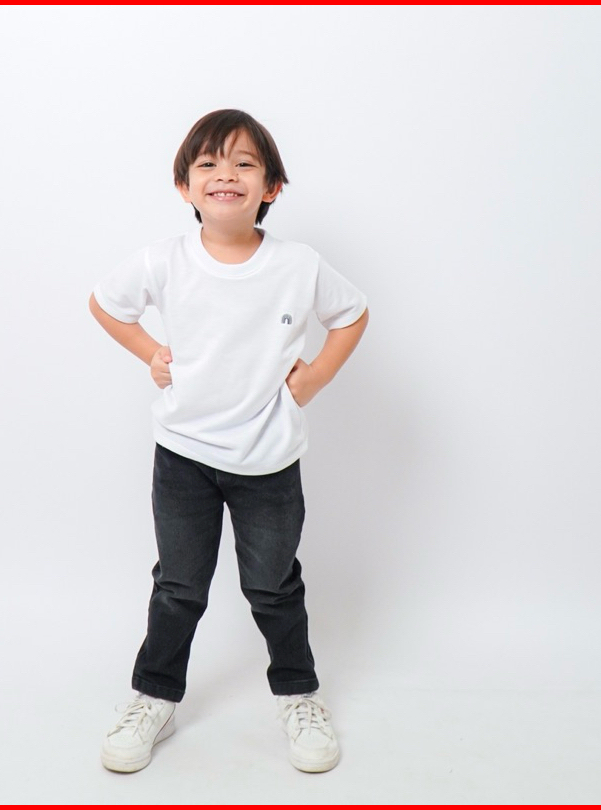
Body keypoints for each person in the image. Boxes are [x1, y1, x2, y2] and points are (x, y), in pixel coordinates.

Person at [89, 109, 369, 774]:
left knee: (273, 587)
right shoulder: (164, 260)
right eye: (209, 163)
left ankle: (298, 696)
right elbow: (105, 303)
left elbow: (352, 314)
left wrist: (315, 376)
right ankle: (154, 697)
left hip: (268, 462)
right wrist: (151, 352)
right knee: (178, 586)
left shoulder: (298, 265)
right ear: (184, 185)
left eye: (245, 163)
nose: (226, 174)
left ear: (271, 186)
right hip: (183, 456)